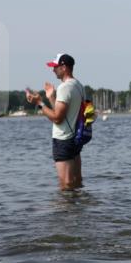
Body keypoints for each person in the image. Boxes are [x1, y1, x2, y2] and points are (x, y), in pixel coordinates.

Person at [25, 53, 86, 190]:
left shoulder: (64, 88)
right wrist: (51, 97)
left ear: (64, 67)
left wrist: (39, 103)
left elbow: (58, 118)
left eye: (55, 67)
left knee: (66, 184)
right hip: (75, 138)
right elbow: (64, 113)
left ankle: (65, 211)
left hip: (63, 140)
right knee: (76, 181)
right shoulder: (79, 85)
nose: (53, 70)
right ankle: (78, 210)